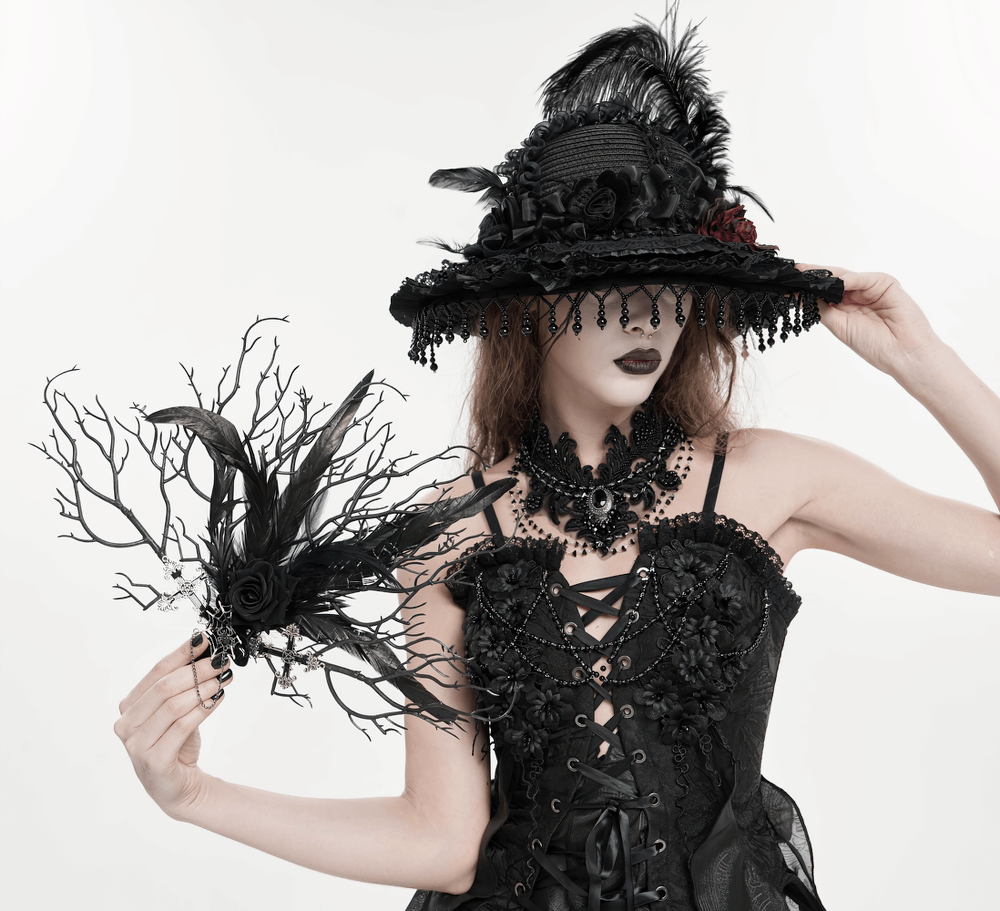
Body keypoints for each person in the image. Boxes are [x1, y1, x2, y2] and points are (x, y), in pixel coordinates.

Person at [112, 13, 1000, 911]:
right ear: (535, 300)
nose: (650, 312)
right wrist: (194, 796)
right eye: (611, 278)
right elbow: (444, 842)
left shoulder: (772, 481)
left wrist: (920, 360)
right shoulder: (449, 532)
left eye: (671, 279)